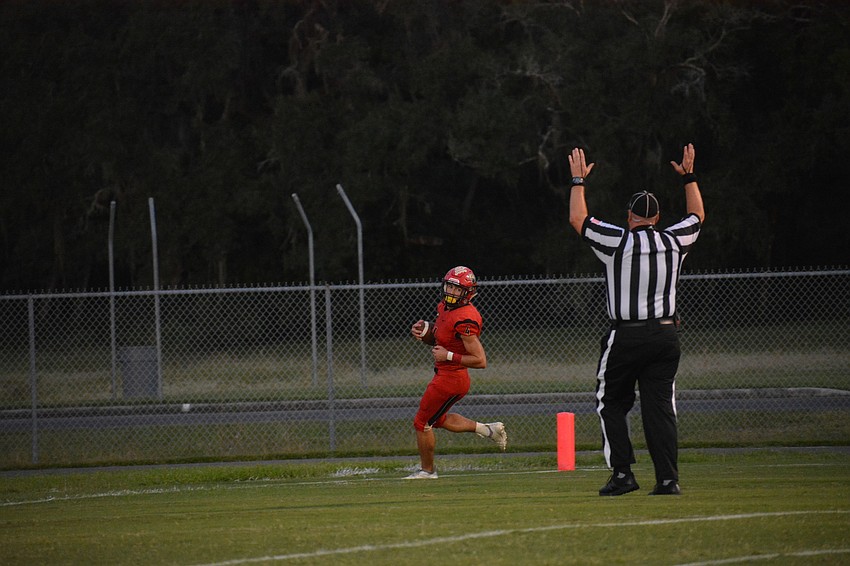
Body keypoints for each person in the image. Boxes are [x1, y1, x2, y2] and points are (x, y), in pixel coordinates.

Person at [567, 143, 705, 496]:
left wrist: (578, 180)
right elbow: (697, 216)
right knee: (660, 407)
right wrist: (689, 177)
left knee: (610, 401)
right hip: (665, 335)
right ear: (657, 218)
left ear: (630, 216)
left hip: (626, 335)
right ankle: (668, 479)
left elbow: (578, 220)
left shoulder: (619, 241)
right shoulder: (674, 241)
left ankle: (624, 474)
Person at [405, 265, 507, 479]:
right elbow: (442, 337)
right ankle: (488, 429)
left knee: (422, 423)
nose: (451, 293)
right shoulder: (445, 307)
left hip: (452, 378)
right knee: (438, 420)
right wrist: (426, 331)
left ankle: (427, 471)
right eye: (449, 287)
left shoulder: (466, 317)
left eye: (457, 289)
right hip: (446, 374)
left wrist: (448, 356)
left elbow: (480, 360)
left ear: (467, 293)